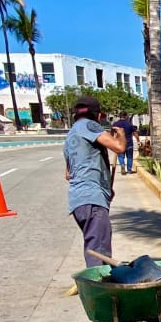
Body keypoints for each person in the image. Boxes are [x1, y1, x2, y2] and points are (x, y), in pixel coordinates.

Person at [64, 95, 128, 268]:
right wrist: (121, 135)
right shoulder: (90, 125)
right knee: (99, 251)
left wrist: (105, 185)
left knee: (93, 245)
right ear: (98, 115)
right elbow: (119, 148)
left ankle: (97, 280)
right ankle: (99, 287)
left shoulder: (71, 135)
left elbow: (68, 174)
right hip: (92, 199)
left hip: (78, 201)